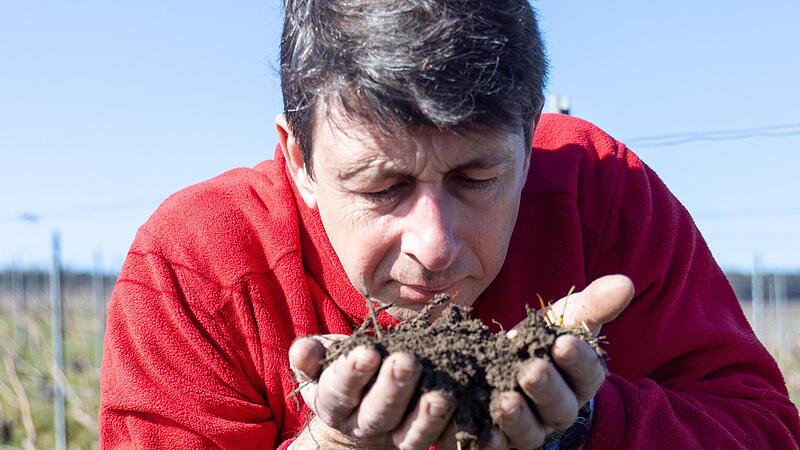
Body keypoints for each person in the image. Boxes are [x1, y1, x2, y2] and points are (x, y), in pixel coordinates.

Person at [98, 0, 800, 448]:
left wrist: (584, 423)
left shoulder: (600, 190)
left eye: (476, 179)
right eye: (381, 186)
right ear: (299, 159)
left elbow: (761, 432)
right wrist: (331, 447)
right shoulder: (197, 262)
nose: (434, 245)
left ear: (529, 141)